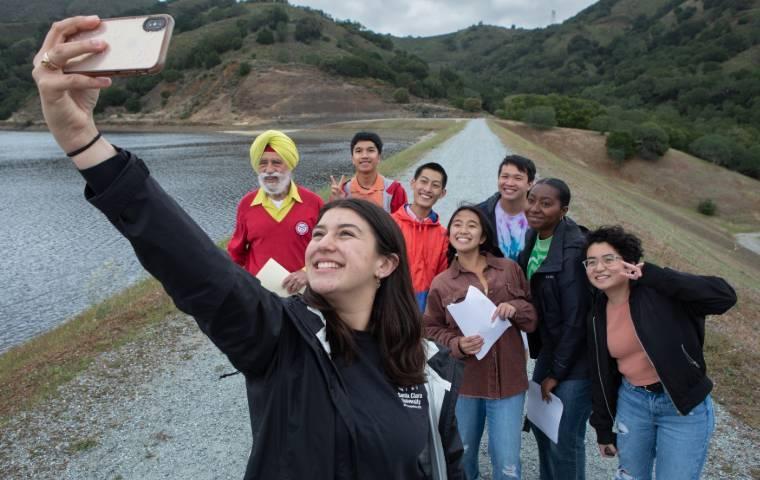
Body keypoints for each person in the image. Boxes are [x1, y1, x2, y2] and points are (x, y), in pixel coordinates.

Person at [32, 16, 464, 479]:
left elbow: (446, 464)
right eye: (319, 233)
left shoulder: (424, 368)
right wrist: (84, 143)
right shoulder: (282, 340)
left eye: (345, 233)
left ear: (385, 263)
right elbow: (194, 263)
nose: (322, 243)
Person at [584, 226, 736, 480]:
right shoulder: (596, 313)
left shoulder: (660, 291)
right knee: (630, 476)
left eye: (608, 259)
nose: (599, 268)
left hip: (681, 406)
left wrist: (654, 275)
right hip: (633, 403)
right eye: (591, 262)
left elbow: (724, 297)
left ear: (628, 262)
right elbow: (601, 374)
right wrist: (602, 428)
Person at [425, 205, 537, 480]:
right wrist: (457, 344)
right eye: (457, 224)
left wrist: (514, 308)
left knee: (508, 463)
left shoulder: (510, 269)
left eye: (471, 225)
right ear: (449, 233)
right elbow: (429, 329)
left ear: (483, 235)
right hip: (466, 385)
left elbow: (532, 317)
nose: (463, 230)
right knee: (462, 455)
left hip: (509, 383)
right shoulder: (442, 283)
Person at [517, 178, 591, 480]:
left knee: (564, 439)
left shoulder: (574, 251)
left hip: (578, 358)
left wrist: (556, 373)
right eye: (531, 199)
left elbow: (576, 320)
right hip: (552, 348)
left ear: (564, 210)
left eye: (545, 203)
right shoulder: (534, 236)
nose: (535, 208)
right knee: (543, 429)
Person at [227, 130, 323, 294]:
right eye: (263, 162)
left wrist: (307, 273)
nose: (269, 169)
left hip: (303, 295)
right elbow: (236, 254)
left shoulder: (314, 202)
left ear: (290, 165)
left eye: (276, 162)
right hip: (260, 297)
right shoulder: (246, 204)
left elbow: (326, 250)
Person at [392, 162, 449, 311]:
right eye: (423, 182)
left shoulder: (443, 235)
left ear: (442, 193)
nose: (428, 189)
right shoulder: (390, 224)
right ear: (413, 183)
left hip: (425, 311)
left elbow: (442, 278)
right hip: (391, 306)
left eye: (435, 185)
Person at [328, 131, 407, 213]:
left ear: (379, 157)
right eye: (359, 151)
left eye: (370, 150)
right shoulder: (343, 190)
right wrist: (337, 204)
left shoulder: (394, 190)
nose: (364, 156)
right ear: (352, 159)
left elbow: (403, 223)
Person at [478, 155, 536, 262]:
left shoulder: (540, 216)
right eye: (505, 176)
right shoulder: (480, 214)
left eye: (518, 178)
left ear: (530, 184)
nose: (509, 183)